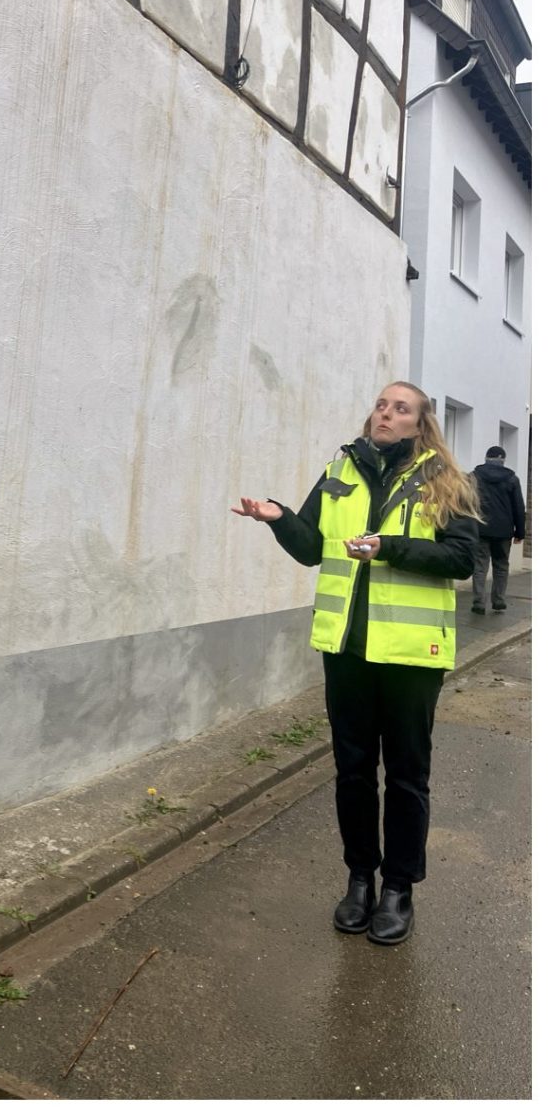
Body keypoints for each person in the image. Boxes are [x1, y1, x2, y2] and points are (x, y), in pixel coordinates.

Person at [233, 381, 478, 945]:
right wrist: (277, 517)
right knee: (353, 771)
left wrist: (389, 547)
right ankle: (360, 880)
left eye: (400, 409)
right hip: (346, 651)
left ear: (420, 425)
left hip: (412, 656)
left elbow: (461, 558)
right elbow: (312, 547)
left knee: (408, 776)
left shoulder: (443, 480)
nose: (385, 414)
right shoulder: (342, 469)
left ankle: (399, 889)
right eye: (381, 405)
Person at [468, 446, 527, 614]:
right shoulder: (512, 479)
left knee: (480, 566)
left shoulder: (474, 477)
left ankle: (479, 602)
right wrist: (520, 532)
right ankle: (498, 600)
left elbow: (466, 502)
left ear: (486, 457)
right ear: (503, 459)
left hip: (480, 529)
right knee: (501, 566)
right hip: (503, 532)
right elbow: (518, 507)